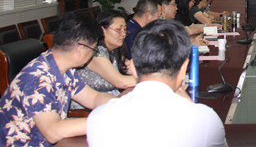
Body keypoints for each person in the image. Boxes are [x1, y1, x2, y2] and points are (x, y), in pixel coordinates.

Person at [87, 20, 227, 147]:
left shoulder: (98, 118)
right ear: (183, 69)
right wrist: (190, 103)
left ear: (133, 68)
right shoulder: (205, 120)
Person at [0, 12, 115, 146]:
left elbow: (93, 98)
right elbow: (53, 132)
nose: (92, 55)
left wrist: (122, 105)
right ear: (80, 50)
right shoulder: (37, 78)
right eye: (93, 50)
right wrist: (105, 120)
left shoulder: (64, 68)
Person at [71, 10, 136, 109]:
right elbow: (121, 82)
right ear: (102, 30)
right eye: (118, 30)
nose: (123, 34)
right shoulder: (95, 53)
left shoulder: (115, 50)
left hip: (110, 101)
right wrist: (151, 79)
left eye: (125, 29)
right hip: (88, 109)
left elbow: (133, 69)